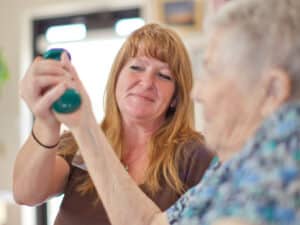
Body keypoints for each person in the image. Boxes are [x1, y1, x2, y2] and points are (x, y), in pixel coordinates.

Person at [13, 23, 215, 225]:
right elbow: (26, 194)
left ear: (175, 98)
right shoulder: (78, 142)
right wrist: (47, 121)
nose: (146, 82)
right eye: (136, 67)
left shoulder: (197, 156)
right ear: (116, 77)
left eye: (163, 75)